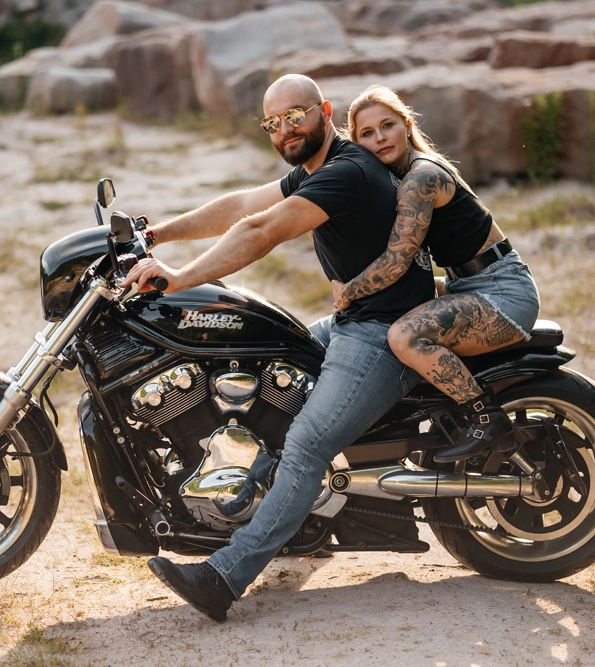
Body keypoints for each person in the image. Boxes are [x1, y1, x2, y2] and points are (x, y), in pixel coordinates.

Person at [121, 74, 436, 622]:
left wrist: (180, 278)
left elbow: (261, 230)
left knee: (308, 444)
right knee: (273, 370)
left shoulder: (346, 171)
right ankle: (268, 505)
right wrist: (155, 235)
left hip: (383, 333)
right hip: (353, 320)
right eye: (273, 122)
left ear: (325, 112)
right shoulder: (314, 168)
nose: (286, 129)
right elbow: (241, 205)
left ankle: (224, 577)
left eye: (296, 115)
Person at [332, 84, 541, 463]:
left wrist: (348, 291)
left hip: (503, 293)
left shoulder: (420, 178)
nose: (380, 138)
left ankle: (486, 417)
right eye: (367, 133)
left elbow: (396, 261)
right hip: (467, 284)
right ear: (357, 142)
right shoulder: (399, 178)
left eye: (388, 125)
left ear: (408, 126)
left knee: (404, 336)